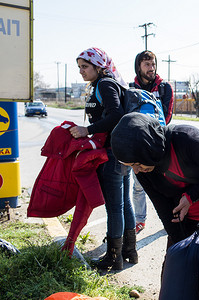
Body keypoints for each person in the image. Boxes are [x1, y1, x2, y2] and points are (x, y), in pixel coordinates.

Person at [110, 112, 199, 251]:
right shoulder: (144, 168)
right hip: (189, 218)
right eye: (131, 166)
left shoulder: (189, 139)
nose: (136, 171)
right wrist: (180, 246)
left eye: (136, 164)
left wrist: (190, 197)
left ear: (149, 149)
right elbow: (163, 208)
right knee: (177, 266)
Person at [70, 47, 136, 270]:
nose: (81, 71)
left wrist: (87, 130)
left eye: (85, 66)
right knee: (124, 203)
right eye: (79, 67)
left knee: (115, 207)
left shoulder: (105, 84)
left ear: (99, 66)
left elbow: (116, 114)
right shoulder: (106, 83)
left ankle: (113, 257)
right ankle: (129, 251)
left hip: (111, 153)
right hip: (119, 151)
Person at [130, 50, 174, 234]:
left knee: (169, 182)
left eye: (153, 64)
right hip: (138, 145)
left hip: (161, 141)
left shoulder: (165, 88)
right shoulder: (130, 88)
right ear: (138, 66)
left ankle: (173, 216)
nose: (151, 68)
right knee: (139, 185)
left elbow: (168, 115)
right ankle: (140, 220)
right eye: (147, 64)